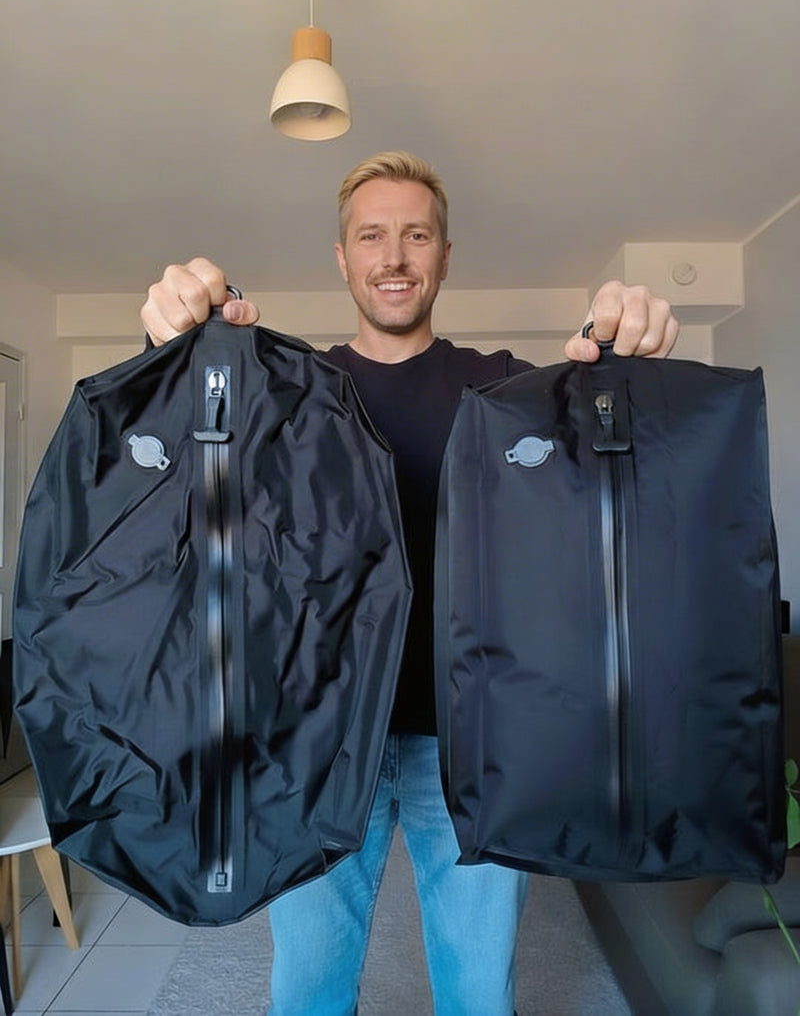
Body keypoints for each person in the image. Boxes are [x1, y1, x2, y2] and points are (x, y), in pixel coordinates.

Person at [142, 151, 678, 1015]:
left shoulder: (504, 388)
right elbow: (181, 468)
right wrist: (167, 350)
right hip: (316, 744)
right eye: (371, 236)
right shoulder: (290, 393)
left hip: (471, 743)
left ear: (445, 255)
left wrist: (629, 366)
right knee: (307, 990)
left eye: (416, 235)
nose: (393, 256)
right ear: (342, 257)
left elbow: (607, 492)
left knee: (478, 994)